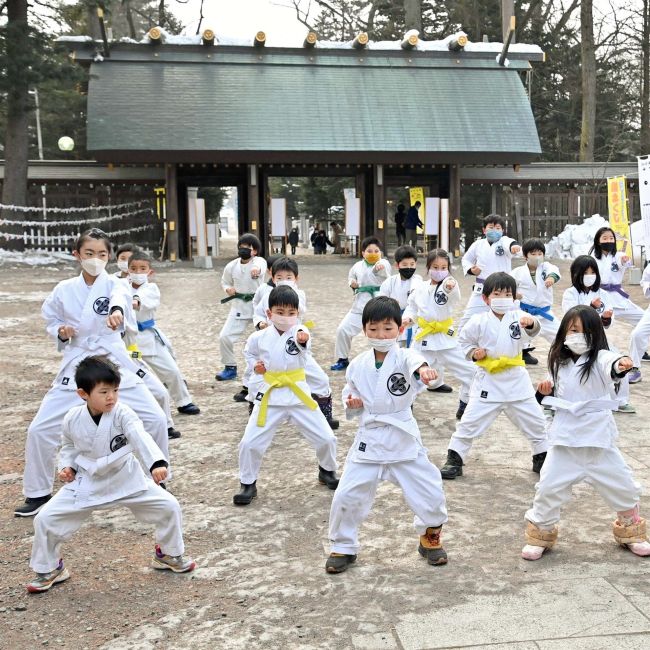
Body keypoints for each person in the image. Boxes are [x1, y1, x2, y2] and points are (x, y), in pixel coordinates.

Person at [15, 229, 169, 518]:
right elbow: (50, 316)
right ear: (77, 255)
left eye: (101, 254)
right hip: (78, 360)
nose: (96, 259)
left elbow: (120, 300)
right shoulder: (64, 289)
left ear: (109, 257)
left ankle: (158, 480)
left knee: (155, 418)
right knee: (40, 429)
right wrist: (60, 330)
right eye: (89, 253)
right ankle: (36, 493)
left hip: (112, 357)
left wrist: (117, 314)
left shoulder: (116, 284)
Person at [26, 356, 195, 593]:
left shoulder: (123, 413)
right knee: (45, 518)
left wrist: (156, 462)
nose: (111, 397)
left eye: (115, 390)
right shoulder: (72, 418)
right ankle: (50, 568)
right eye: (104, 392)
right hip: (89, 479)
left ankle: (168, 554)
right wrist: (68, 466)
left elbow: (139, 435)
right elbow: (69, 446)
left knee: (169, 506)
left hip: (125, 476)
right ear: (83, 394)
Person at [325, 296, 448, 574]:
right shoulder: (357, 364)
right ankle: (343, 546)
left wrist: (424, 369)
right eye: (374, 329)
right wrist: (352, 403)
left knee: (429, 490)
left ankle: (429, 538)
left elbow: (416, 363)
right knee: (347, 495)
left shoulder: (406, 356)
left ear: (400, 329)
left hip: (402, 437)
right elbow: (350, 392)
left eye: (387, 328)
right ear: (364, 330)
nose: (381, 335)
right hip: (370, 437)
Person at [521, 306, 650, 560]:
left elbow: (611, 365)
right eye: (572, 330)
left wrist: (620, 364)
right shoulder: (559, 361)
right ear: (564, 333)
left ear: (594, 334)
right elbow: (548, 396)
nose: (577, 335)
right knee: (548, 487)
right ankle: (541, 534)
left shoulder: (601, 357)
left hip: (598, 441)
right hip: (565, 441)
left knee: (622, 484)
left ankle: (631, 530)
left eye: (583, 331)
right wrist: (544, 390)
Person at [233, 286, 339, 505]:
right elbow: (249, 353)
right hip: (270, 394)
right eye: (280, 312)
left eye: (292, 313)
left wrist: (302, 339)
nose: (286, 317)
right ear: (269, 313)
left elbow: (304, 342)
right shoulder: (258, 337)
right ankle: (247, 483)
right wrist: (256, 366)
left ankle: (326, 470)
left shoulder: (300, 332)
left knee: (327, 437)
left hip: (298, 393)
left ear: (298, 314)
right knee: (250, 443)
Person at [439, 272, 548, 480]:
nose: (503, 298)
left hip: (516, 379)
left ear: (515, 297)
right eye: (497, 294)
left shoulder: (519, 318)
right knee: (469, 422)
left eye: (508, 294)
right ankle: (455, 458)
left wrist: (531, 324)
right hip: (488, 379)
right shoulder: (478, 321)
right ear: (486, 298)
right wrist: (474, 353)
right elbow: (464, 342)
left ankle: (541, 456)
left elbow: (535, 329)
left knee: (536, 421)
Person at [238, 257, 339, 430]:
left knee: (320, 379)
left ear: (296, 278)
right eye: (279, 277)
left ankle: (324, 416)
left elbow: (301, 309)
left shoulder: (299, 294)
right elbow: (258, 313)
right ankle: (255, 414)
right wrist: (261, 323)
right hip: (272, 347)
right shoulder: (268, 296)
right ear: (272, 276)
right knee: (257, 382)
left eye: (288, 277)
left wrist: (301, 337)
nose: (284, 280)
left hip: (295, 348)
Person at [403, 249, 477, 420]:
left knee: (471, 372)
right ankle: (405, 407)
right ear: (428, 267)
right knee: (410, 372)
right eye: (435, 266)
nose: (439, 270)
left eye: (444, 267)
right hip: (424, 338)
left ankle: (465, 404)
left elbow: (453, 292)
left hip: (446, 339)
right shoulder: (419, 288)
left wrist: (449, 286)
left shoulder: (449, 284)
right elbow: (412, 307)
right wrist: (407, 319)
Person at [127, 250, 200, 416]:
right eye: (134, 268)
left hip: (148, 335)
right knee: (132, 374)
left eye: (142, 268)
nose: (138, 272)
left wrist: (136, 301)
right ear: (128, 271)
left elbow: (143, 299)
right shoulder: (121, 287)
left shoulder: (151, 288)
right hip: (128, 340)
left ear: (150, 272)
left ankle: (183, 401)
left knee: (171, 370)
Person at [562, 256, 635, 414]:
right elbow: (570, 315)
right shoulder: (570, 293)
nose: (589, 275)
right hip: (576, 339)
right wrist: (589, 307)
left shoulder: (603, 293)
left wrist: (606, 318)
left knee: (617, 358)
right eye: (585, 272)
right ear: (576, 274)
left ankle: (620, 400)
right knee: (561, 363)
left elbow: (608, 320)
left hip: (598, 338)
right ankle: (554, 400)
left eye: (593, 271)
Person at [331, 236, 392, 371]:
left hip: (379, 305)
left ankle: (385, 360)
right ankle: (342, 358)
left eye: (376, 251)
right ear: (363, 253)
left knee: (381, 335)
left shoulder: (384, 263)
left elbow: (382, 272)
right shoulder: (357, 265)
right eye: (369, 251)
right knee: (343, 329)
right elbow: (351, 277)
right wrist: (352, 283)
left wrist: (378, 268)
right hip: (360, 305)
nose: (373, 253)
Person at [215, 233, 267, 381]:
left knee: (265, 337)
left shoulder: (259, 262)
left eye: (247, 247)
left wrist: (255, 270)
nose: (243, 250)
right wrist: (227, 289)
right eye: (241, 247)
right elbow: (225, 282)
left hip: (258, 305)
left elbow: (260, 267)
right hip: (239, 305)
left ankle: (269, 365)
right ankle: (230, 367)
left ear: (255, 250)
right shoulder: (232, 266)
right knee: (224, 337)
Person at [458, 214, 522, 333]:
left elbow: (511, 243)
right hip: (481, 289)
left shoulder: (504, 241)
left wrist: (514, 247)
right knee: (467, 321)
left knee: (513, 319)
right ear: (484, 230)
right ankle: (461, 347)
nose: (494, 231)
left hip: (502, 289)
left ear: (503, 230)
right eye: (491, 227)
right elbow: (466, 259)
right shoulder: (478, 244)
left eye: (498, 228)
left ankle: (522, 346)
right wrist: (472, 269)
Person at [510, 238, 561, 365]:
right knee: (515, 335)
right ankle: (522, 353)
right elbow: (509, 286)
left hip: (544, 312)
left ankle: (562, 354)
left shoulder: (547, 267)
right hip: (524, 312)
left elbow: (554, 272)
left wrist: (551, 279)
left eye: (540, 254)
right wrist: (514, 295)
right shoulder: (518, 272)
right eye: (533, 254)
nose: (537, 257)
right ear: (525, 256)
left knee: (560, 335)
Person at [377, 245, 423, 349]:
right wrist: (390, 304)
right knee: (395, 349)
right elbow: (380, 302)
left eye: (412, 264)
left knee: (413, 349)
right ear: (397, 265)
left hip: (413, 321)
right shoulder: (389, 282)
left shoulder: (419, 281)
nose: (409, 268)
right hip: (394, 320)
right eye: (405, 264)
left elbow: (422, 304)